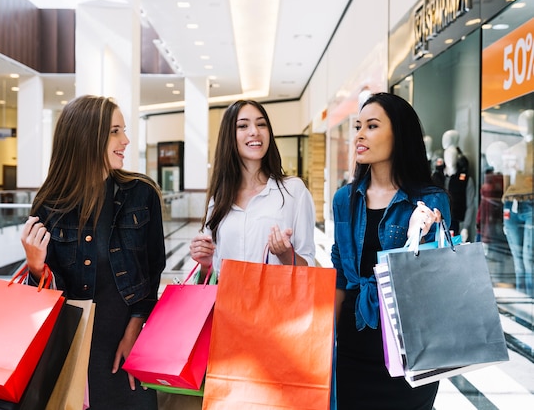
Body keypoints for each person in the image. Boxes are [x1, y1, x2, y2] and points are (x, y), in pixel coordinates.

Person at [20, 95, 166, 410]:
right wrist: (35, 268)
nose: (125, 140)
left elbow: (153, 271)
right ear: (87, 137)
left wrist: (134, 332)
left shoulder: (142, 194)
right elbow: (44, 299)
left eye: (124, 130)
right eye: (115, 131)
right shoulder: (49, 205)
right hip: (71, 351)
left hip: (128, 345)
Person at [331, 92, 451, 410]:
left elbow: (435, 281)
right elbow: (341, 272)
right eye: (358, 126)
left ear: (399, 134)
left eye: (371, 126)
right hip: (353, 341)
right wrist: (324, 337)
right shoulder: (345, 199)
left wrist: (423, 233)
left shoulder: (430, 200)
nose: (359, 134)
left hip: (410, 344)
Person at [189, 99, 316, 275]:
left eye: (261, 124)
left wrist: (286, 254)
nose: (254, 132)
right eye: (243, 126)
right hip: (229, 302)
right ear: (229, 136)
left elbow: (309, 269)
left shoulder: (293, 191)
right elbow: (212, 275)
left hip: (276, 301)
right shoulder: (219, 200)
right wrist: (205, 264)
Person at [502, 109, 534, 297]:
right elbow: (507, 185)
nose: (524, 124)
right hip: (510, 205)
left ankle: (530, 305)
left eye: (528, 120)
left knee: (529, 259)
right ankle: (523, 303)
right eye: (521, 120)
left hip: (531, 204)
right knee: (518, 259)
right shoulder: (512, 151)